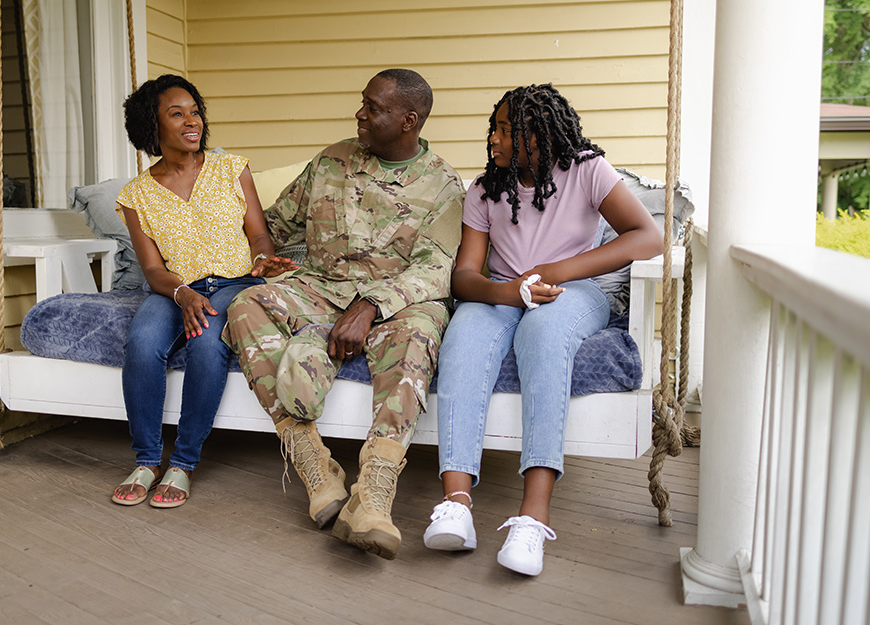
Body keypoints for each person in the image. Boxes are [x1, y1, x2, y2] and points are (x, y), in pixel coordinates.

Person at [422, 84, 662, 576]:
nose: (494, 138)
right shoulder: (485, 190)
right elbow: (466, 277)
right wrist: (510, 292)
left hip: (574, 291)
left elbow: (649, 236)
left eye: (507, 130)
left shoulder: (587, 170)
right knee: (463, 339)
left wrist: (558, 271)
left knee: (544, 334)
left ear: (540, 135)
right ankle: (457, 505)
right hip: (505, 293)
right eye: (495, 128)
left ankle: (532, 518)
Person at [224, 68, 464, 559]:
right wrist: (253, 255)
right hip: (318, 287)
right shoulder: (331, 160)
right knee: (246, 305)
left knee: (421, 333)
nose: (360, 113)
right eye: (363, 102)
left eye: (373, 108)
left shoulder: (443, 185)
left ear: (408, 120)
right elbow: (274, 222)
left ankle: (373, 496)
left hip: (395, 302)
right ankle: (314, 463)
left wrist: (370, 304)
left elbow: (437, 271)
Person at [111, 74, 296, 509]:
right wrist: (183, 295)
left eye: (195, 111)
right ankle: (147, 460)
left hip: (235, 283)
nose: (191, 121)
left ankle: (184, 462)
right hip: (172, 290)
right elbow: (153, 269)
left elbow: (259, 237)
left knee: (207, 343)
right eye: (177, 114)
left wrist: (262, 262)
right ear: (152, 126)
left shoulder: (232, 169)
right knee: (140, 344)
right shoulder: (136, 195)